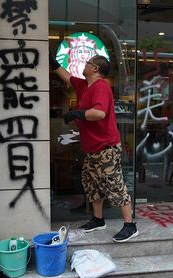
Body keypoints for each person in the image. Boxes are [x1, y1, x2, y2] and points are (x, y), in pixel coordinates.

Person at [50, 53, 139, 242]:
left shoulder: (101, 86)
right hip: (92, 149)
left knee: (114, 184)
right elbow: (68, 77)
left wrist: (77, 113)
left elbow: (99, 113)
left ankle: (130, 225)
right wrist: (54, 64)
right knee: (90, 183)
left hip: (106, 147)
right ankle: (98, 220)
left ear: (95, 68)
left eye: (88, 63)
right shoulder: (84, 85)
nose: (85, 65)